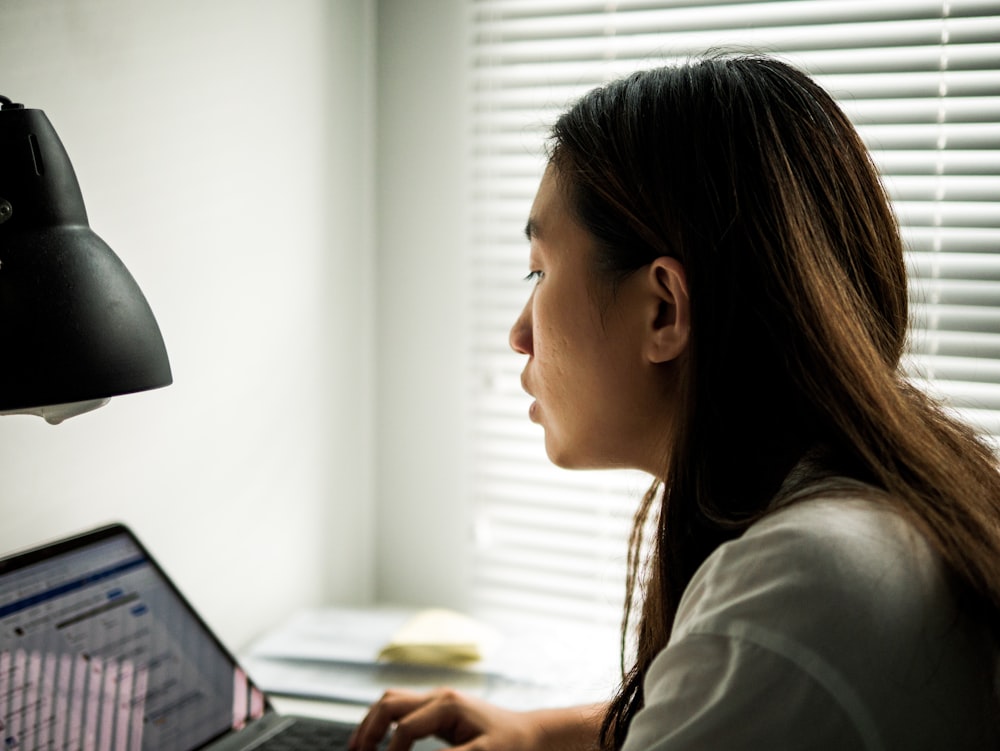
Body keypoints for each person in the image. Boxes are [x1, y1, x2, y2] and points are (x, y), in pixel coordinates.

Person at [349, 53, 1000, 750]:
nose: (518, 333)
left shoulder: (798, 586)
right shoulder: (874, 515)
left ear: (663, 309)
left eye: (540, 269)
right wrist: (538, 733)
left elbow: (762, 662)